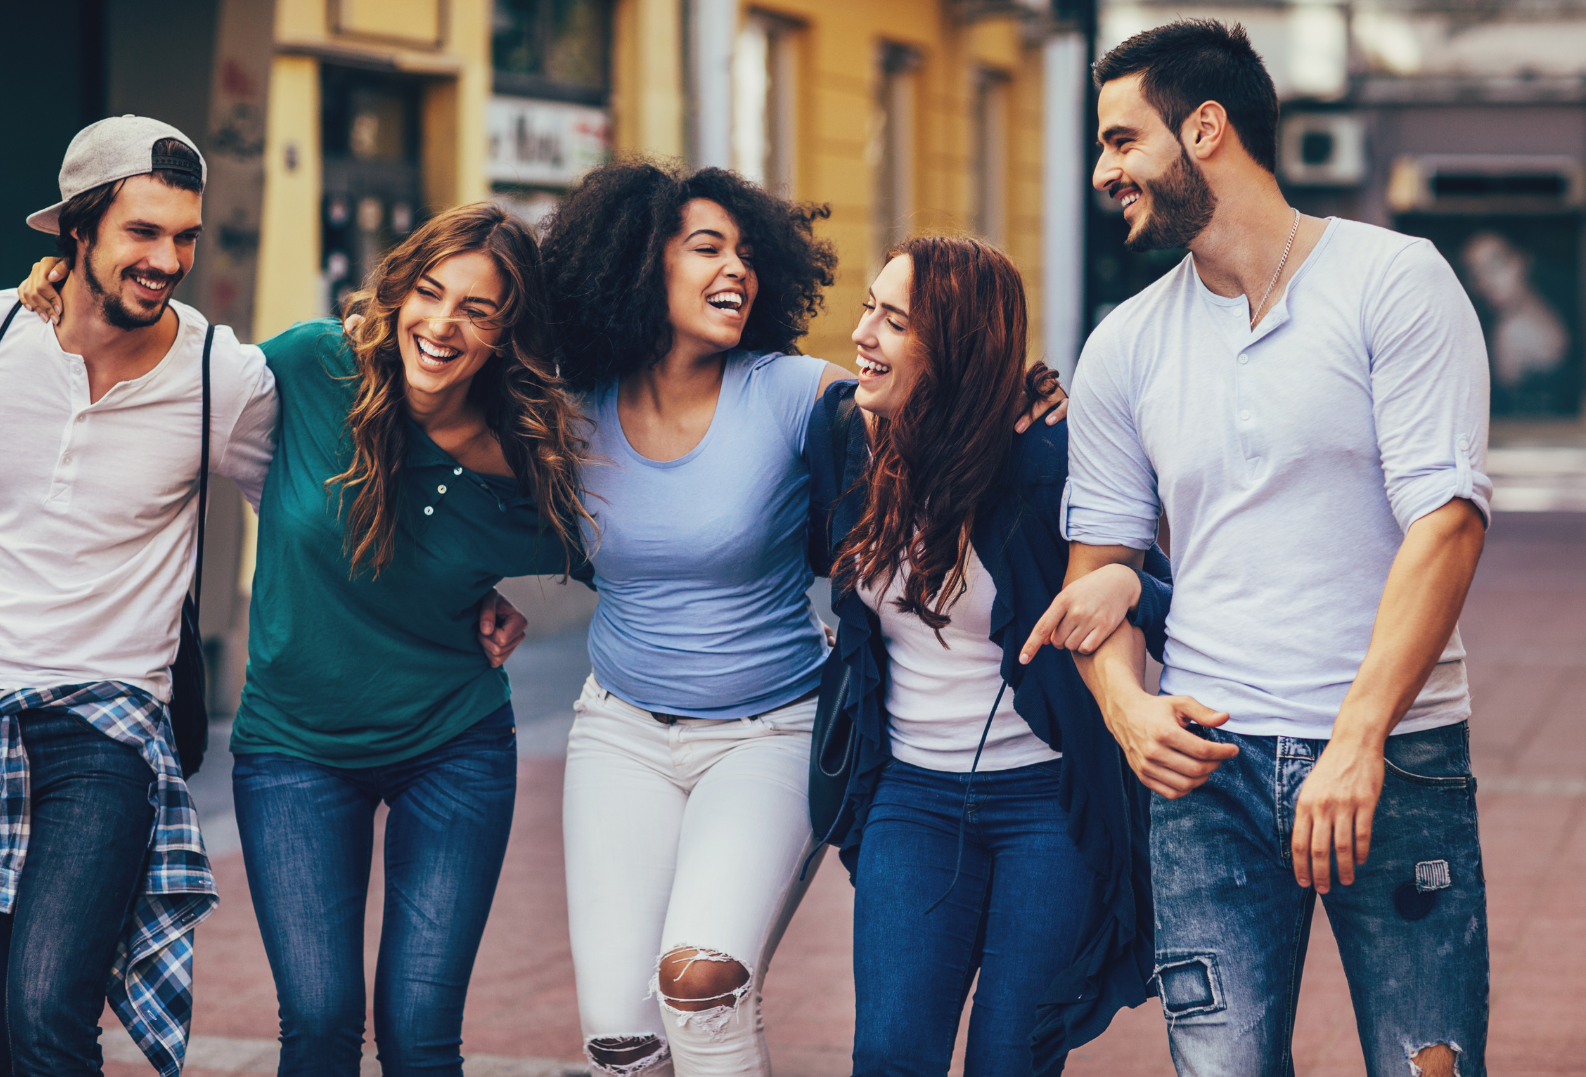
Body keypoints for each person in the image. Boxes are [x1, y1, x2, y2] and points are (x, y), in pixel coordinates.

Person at [1024, 20, 1491, 1077]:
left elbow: (1447, 524)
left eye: (1118, 140)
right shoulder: (1124, 344)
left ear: (1204, 129)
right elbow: (1090, 576)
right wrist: (1125, 708)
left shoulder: (1392, 281)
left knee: (1428, 1067)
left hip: (1395, 754)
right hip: (1209, 769)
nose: (1103, 172)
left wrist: (1358, 737)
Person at [19, 202, 577, 1076]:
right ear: (398, 294)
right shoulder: (311, 365)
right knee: (318, 1020)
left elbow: (634, 559)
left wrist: (495, 592)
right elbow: (169, 357)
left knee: (419, 1029)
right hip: (295, 751)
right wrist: (61, 286)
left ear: (508, 334)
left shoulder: (527, 454)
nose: (442, 324)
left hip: (454, 743)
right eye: (430, 293)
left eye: (479, 309)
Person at [538, 162, 1064, 1077]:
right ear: (634, 262)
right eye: (707, 248)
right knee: (621, 1040)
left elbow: (927, 399)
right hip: (618, 729)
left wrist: (1019, 396)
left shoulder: (793, 394)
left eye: (747, 253)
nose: (735, 269)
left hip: (769, 729)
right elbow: (458, 463)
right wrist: (473, 606)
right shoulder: (573, 414)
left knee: (700, 984)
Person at [807, 235, 1172, 1077]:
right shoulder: (845, 438)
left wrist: (1125, 592)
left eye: (895, 321)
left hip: (1047, 801)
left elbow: (1153, 586)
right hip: (910, 794)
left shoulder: (1045, 458)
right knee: (891, 1050)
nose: (864, 332)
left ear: (960, 349)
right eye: (869, 306)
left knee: (1012, 1059)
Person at [0, 116, 275, 1076]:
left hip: (107, 722)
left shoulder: (223, 378)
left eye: (186, 235)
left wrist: (473, 583)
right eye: (143, 233)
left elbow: (326, 505)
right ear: (77, 232)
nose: (169, 259)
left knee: (43, 1011)